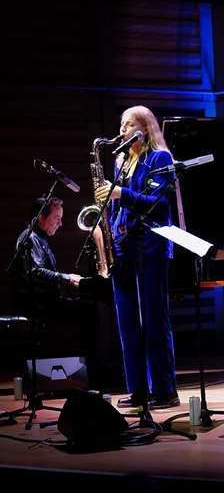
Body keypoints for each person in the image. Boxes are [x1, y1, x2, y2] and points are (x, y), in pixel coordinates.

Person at [95, 105, 179, 410]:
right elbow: (117, 207)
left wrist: (120, 195)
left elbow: (159, 204)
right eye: (120, 124)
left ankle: (165, 389)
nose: (121, 130)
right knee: (127, 321)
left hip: (151, 246)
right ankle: (138, 389)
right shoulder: (121, 160)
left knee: (155, 319)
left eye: (127, 124)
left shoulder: (160, 158)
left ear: (143, 127)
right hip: (122, 245)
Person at [13, 197, 82, 314]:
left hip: (47, 302)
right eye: (57, 218)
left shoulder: (40, 238)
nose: (60, 224)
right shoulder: (29, 238)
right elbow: (36, 272)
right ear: (41, 218)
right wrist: (67, 278)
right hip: (38, 306)